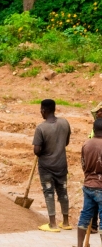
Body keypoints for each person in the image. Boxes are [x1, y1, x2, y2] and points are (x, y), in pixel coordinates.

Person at [33, 99, 72, 231]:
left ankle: (53, 224)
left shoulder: (41, 128)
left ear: (44, 110)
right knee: (63, 192)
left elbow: (36, 150)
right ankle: (66, 222)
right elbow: (66, 143)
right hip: (61, 165)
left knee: (49, 192)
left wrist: (44, 150)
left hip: (46, 167)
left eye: (41, 110)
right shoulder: (65, 123)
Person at [76, 117, 102, 247]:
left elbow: (83, 165)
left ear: (94, 130)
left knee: (85, 216)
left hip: (88, 185)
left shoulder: (86, 145)